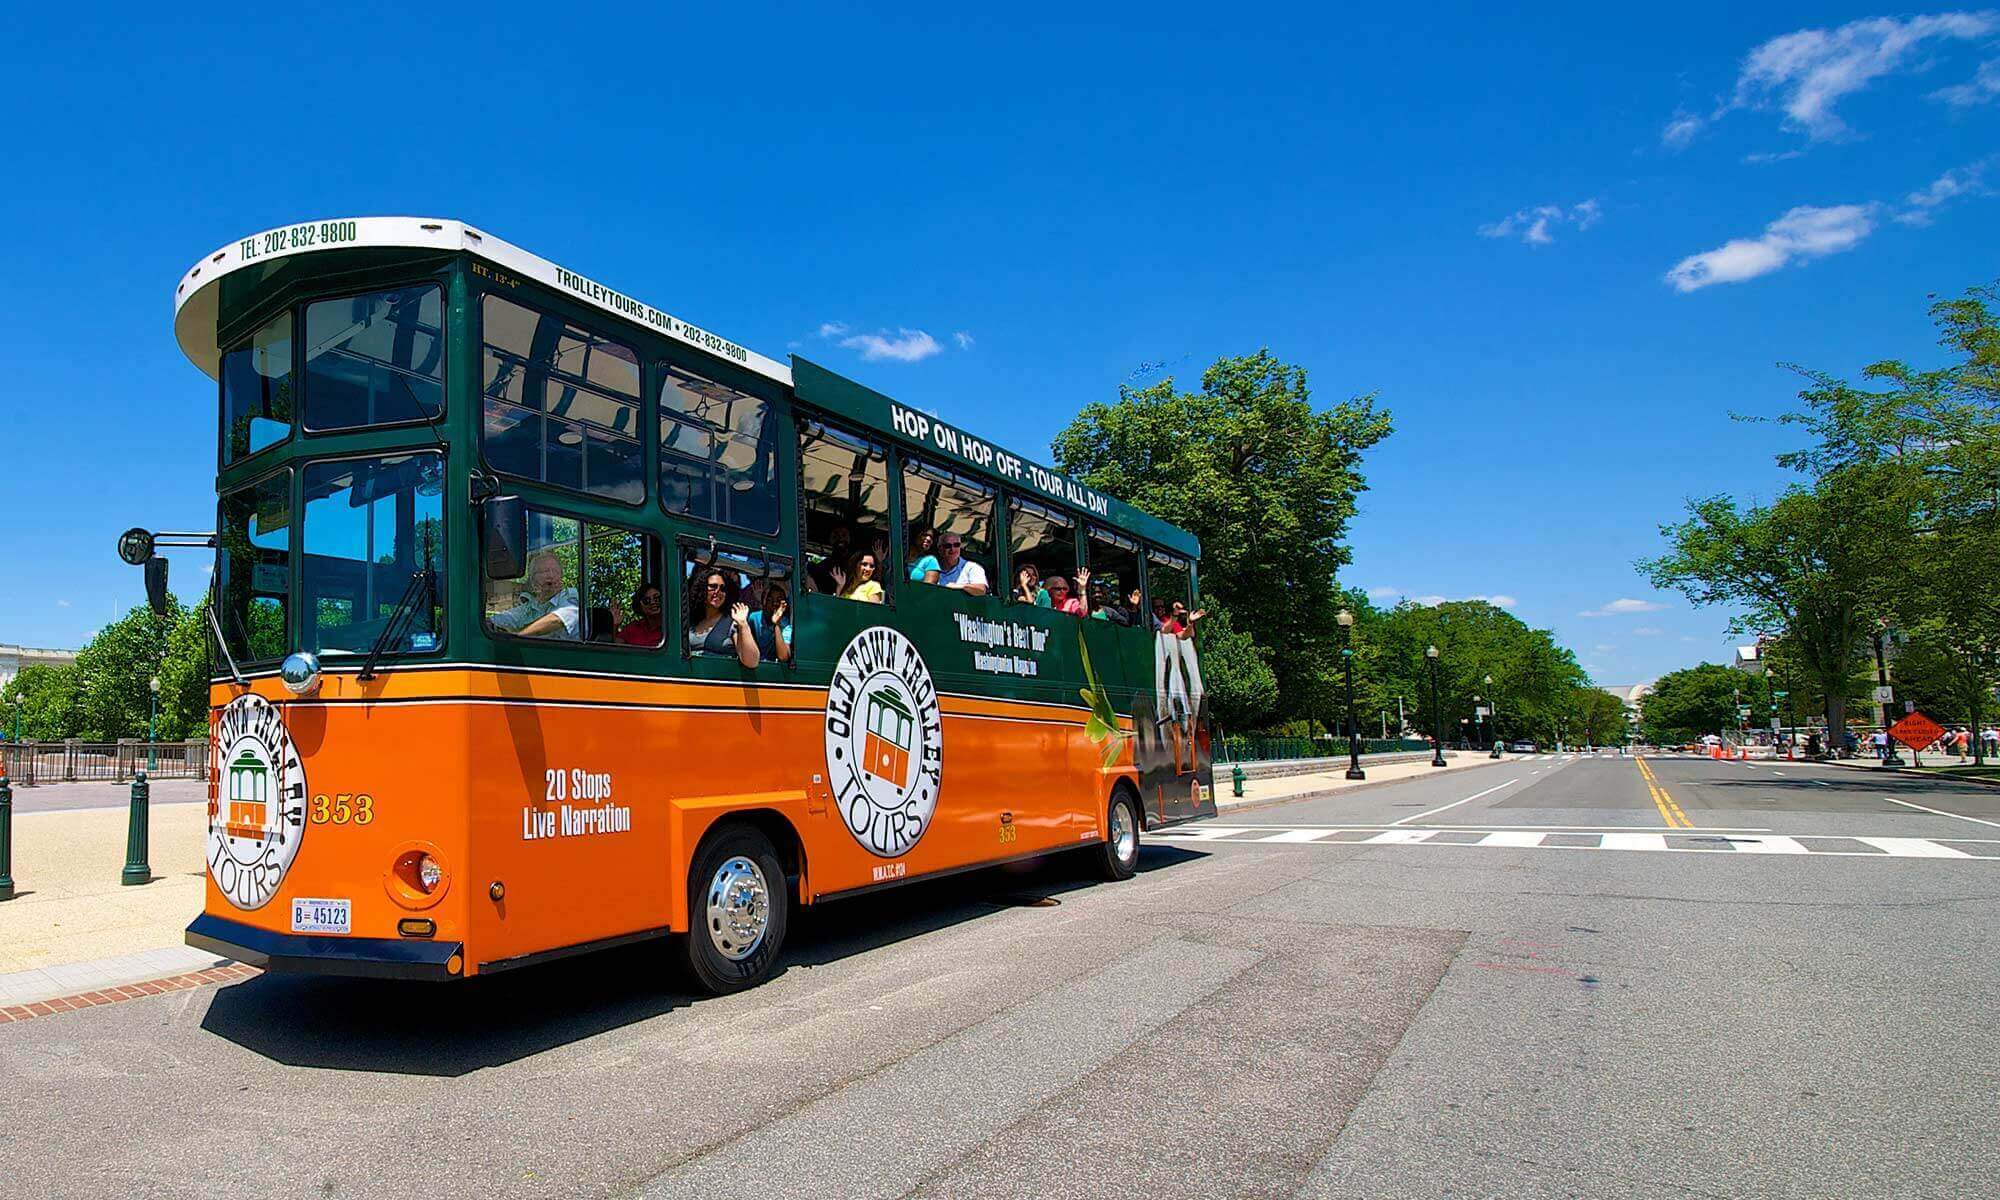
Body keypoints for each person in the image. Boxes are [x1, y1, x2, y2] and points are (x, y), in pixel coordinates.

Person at [489, 551, 580, 640]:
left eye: (555, 571)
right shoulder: (530, 607)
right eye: (544, 571)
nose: (551, 575)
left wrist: (517, 636)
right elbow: (505, 618)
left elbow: (556, 620)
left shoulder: (570, 595)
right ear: (533, 580)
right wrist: (487, 623)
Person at [686, 566, 759, 668]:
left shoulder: (732, 622)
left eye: (722, 588)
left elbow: (752, 662)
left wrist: (743, 624)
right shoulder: (692, 620)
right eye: (713, 586)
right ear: (702, 589)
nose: (718, 592)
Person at [747, 582, 792, 664]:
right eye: (770, 600)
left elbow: (783, 657)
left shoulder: (786, 624)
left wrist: (777, 624)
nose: (774, 604)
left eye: (778, 600)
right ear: (763, 602)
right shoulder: (754, 618)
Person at [809, 525, 853, 595]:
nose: (840, 538)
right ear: (830, 539)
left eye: (844, 535)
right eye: (836, 536)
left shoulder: (856, 563)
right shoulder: (823, 566)